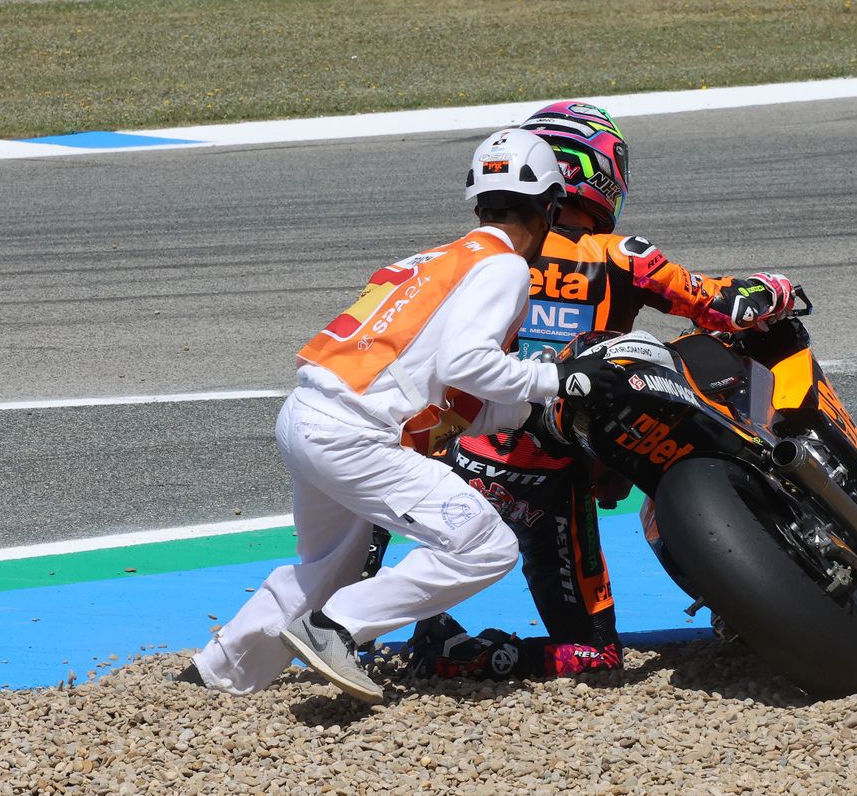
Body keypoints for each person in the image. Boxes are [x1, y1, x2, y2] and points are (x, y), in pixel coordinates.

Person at [175, 129, 626, 703]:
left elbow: (444, 388)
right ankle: (335, 628)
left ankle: (214, 676)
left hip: (306, 415)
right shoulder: (505, 266)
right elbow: (469, 362)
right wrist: (558, 379)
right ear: (549, 207)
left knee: (328, 565)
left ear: (480, 201)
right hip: (355, 436)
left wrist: (529, 408)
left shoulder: (434, 259)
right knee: (486, 547)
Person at [403, 101, 798, 679]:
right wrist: (774, 288)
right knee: (594, 654)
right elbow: (718, 307)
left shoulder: (463, 258)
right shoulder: (621, 255)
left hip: (458, 452)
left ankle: (447, 652)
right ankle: (747, 594)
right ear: (594, 169)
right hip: (556, 472)